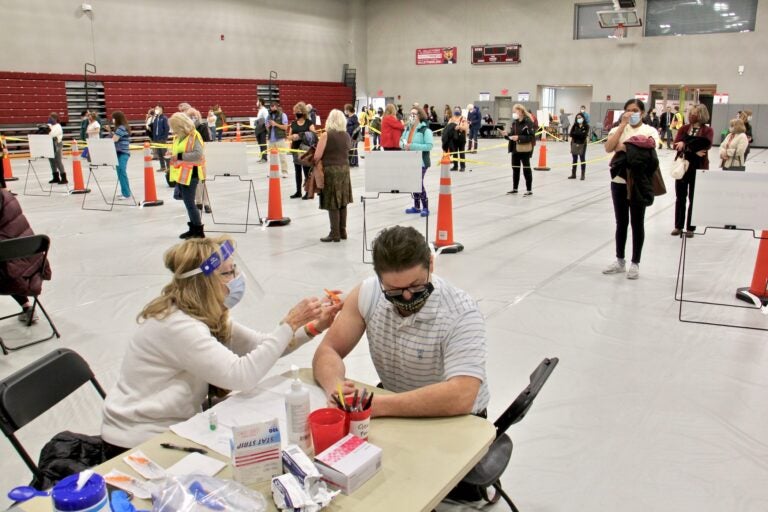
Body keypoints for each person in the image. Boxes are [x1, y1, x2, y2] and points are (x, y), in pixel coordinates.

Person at [101, 236, 341, 451]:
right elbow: (241, 376)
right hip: (138, 439)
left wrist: (313, 326)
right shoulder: (178, 326)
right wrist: (289, 324)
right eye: (227, 273)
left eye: (234, 269)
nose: (236, 279)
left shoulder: (202, 315)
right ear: (203, 283)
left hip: (170, 424)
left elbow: (261, 345)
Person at [312, 225, 490, 418]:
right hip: (396, 406)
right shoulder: (368, 294)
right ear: (379, 278)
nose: (406, 296)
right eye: (394, 289)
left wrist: (375, 405)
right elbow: (328, 350)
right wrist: (335, 388)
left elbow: (462, 394)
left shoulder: (461, 312)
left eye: (415, 285)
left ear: (431, 264)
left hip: (458, 418)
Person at [603, 99, 660, 280]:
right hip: (619, 181)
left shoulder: (650, 131)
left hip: (638, 183)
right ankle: (620, 260)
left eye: (635, 110)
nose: (631, 113)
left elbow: (648, 151)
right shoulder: (618, 128)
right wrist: (622, 127)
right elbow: (609, 147)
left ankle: (635, 262)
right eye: (628, 110)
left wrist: (625, 146)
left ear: (642, 113)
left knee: (637, 222)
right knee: (621, 223)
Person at [0, 189, 51, 325]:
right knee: (9, 263)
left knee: (7, 264)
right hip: (32, 264)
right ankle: (27, 307)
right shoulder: (6, 196)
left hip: (10, 271)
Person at [672, 104, 713, 238]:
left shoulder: (707, 130)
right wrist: (692, 148)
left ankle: (690, 227)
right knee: (680, 197)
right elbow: (676, 145)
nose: (690, 116)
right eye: (690, 113)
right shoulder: (684, 128)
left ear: (701, 115)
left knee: (693, 198)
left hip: (698, 167)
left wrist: (685, 143)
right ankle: (678, 226)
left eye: (694, 113)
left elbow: (706, 144)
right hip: (683, 166)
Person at [314, 109, 353, 243]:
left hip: (331, 171)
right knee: (343, 201)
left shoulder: (326, 135)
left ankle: (334, 233)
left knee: (333, 202)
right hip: (344, 170)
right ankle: (343, 231)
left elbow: (317, 156)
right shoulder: (347, 135)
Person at [168, 113, 206, 239]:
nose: (172, 130)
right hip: (182, 174)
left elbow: (197, 154)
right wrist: (171, 153)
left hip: (191, 174)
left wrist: (179, 156)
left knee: (190, 203)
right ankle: (193, 228)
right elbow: (179, 150)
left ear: (180, 126)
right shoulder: (179, 137)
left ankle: (198, 231)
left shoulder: (194, 135)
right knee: (187, 203)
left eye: (174, 127)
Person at [401, 106, 433, 216]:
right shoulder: (407, 129)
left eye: (414, 113)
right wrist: (404, 145)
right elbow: (401, 141)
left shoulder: (425, 130)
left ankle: (425, 207)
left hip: (421, 162)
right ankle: (416, 206)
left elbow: (429, 146)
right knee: (414, 184)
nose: (411, 116)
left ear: (420, 116)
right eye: (410, 114)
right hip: (410, 161)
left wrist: (412, 146)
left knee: (418, 183)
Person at [502, 104, 536, 196]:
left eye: (515, 111)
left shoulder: (528, 122)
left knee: (526, 169)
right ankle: (515, 188)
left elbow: (531, 137)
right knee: (515, 169)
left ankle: (529, 189)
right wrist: (506, 135)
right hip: (515, 149)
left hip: (524, 150)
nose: (514, 113)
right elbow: (512, 136)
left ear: (521, 111)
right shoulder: (515, 122)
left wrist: (519, 137)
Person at [287, 102, 317, 199]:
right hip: (295, 149)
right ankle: (298, 191)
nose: (297, 113)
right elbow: (289, 136)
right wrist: (293, 137)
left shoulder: (309, 123)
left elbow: (314, 135)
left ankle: (308, 192)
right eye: (295, 111)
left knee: (306, 171)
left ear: (303, 112)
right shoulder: (293, 123)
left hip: (305, 151)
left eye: (299, 111)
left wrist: (301, 135)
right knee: (297, 171)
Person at [107, 111, 132, 200]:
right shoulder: (120, 128)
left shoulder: (121, 128)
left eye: (113, 118)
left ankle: (126, 194)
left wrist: (109, 135)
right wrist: (110, 131)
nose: (112, 120)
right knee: (121, 173)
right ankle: (125, 191)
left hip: (123, 153)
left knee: (121, 171)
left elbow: (114, 139)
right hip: (120, 153)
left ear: (117, 118)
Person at [268, 102, 290, 177]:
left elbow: (285, 127)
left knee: (282, 156)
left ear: (277, 107)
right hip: (271, 139)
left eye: (273, 106)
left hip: (280, 139)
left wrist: (276, 124)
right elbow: (266, 126)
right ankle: (272, 171)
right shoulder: (269, 115)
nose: (272, 108)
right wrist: (268, 125)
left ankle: (285, 172)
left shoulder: (283, 115)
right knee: (271, 157)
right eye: (271, 106)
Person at [443, 106, 468, 172]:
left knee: (461, 152)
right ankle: (455, 166)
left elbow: (465, 127)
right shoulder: (451, 119)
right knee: (454, 152)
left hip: (461, 138)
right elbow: (448, 127)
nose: (456, 111)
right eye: (455, 110)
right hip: (453, 138)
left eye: (458, 110)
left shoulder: (463, 118)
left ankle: (463, 166)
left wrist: (459, 127)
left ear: (460, 111)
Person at [47, 113, 68, 185]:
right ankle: (55, 177)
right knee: (51, 161)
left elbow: (51, 134)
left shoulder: (58, 126)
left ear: (55, 118)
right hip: (50, 144)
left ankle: (64, 178)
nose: (49, 119)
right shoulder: (50, 126)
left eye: (51, 118)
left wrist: (48, 128)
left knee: (58, 161)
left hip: (57, 144)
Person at [569, 112, 589, 180]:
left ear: (583, 118)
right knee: (574, 159)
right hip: (574, 143)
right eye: (577, 118)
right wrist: (580, 133)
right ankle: (573, 174)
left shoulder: (586, 126)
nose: (579, 119)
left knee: (582, 158)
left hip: (582, 144)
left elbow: (584, 135)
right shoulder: (575, 125)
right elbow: (571, 134)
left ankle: (582, 174)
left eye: (580, 118)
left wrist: (577, 133)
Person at [150, 105, 170, 173]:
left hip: (162, 139)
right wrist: (154, 139)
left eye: (158, 108)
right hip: (156, 139)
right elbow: (154, 129)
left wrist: (164, 137)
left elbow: (166, 129)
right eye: (155, 108)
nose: (156, 109)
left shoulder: (164, 118)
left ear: (162, 109)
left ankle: (168, 167)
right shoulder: (155, 118)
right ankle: (162, 167)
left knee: (165, 153)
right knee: (159, 154)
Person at [255, 98, 269, 163]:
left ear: (260, 102)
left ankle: (265, 158)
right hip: (258, 128)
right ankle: (262, 157)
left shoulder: (264, 110)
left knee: (263, 143)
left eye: (257, 101)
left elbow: (266, 119)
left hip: (262, 129)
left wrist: (267, 129)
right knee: (260, 144)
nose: (257, 103)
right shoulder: (260, 110)